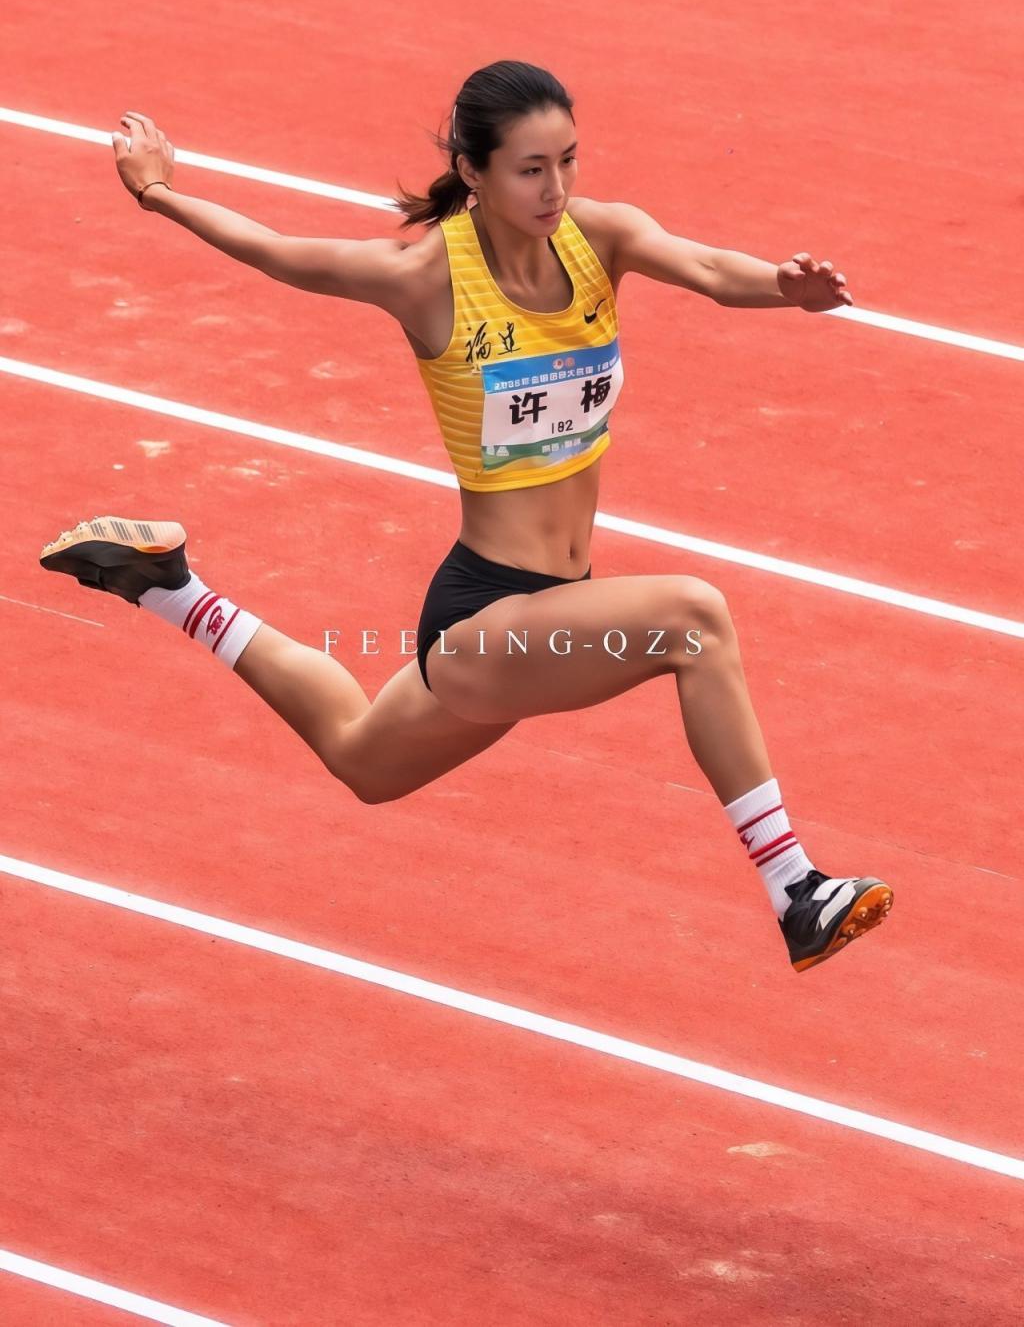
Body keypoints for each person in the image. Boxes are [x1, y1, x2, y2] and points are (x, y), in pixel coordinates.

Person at [40, 59, 892, 972]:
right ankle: (795, 888)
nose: (556, 187)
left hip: (549, 610)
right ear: (473, 172)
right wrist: (159, 193)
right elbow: (278, 250)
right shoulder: (427, 277)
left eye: (567, 160)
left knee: (363, 761)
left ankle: (170, 587)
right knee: (695, 619)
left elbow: (714, 270)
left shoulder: (598, 238)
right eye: (531, 169)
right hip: (485, 617)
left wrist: (784, 286)